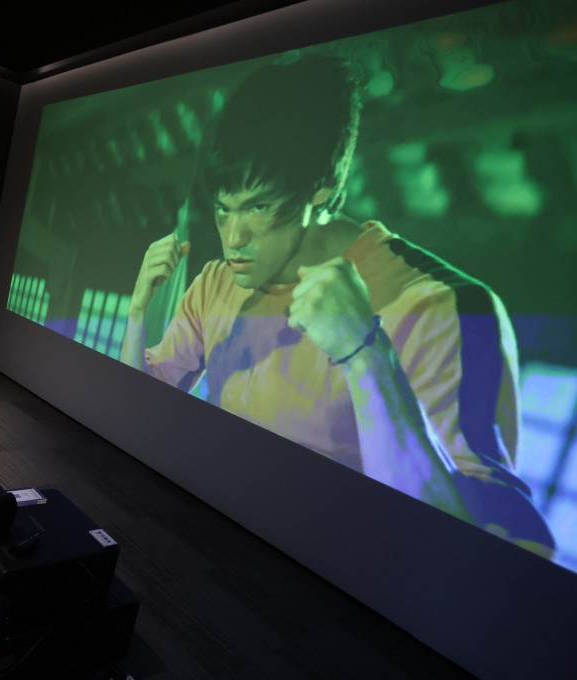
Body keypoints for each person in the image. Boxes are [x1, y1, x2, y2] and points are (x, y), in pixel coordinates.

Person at [120, 56, 554, 556]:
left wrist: (366, 355)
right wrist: (136, 316)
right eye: (224, 208)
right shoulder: (218, 281)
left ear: (320, 192)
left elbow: (492, 548)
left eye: (259, 207)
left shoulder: (442, 305)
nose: (233, 237)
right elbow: (140, 409)